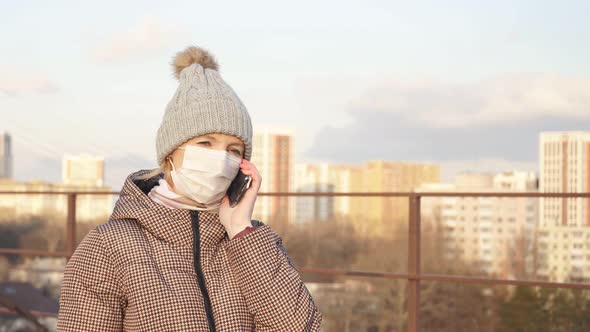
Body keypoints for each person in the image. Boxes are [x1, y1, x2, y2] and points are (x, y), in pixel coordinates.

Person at [57, 45, 322, 331]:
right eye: (205, 143)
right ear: (171, 152)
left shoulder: (253, 243)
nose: (221, 159)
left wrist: (241, 231)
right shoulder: (109, 246)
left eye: (234, 150)